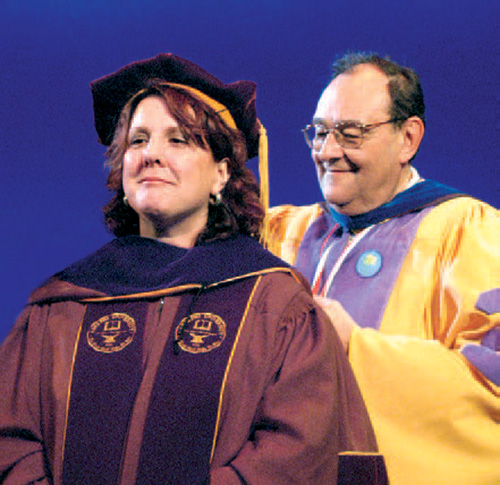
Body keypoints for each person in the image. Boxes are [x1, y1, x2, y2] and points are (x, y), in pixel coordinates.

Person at [0, 53, 380, 484]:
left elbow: (297, 453)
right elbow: (10, 442)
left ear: (221, 174)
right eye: (138, 140)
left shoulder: (274, 305)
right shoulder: (61, 305)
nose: (152, 155)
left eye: (178, 140)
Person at [267, 52, 499, 485]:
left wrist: (356, 348)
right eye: (319, 133)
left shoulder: (469, 232)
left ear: (408, 138)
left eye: (351, 134)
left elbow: (493, 381)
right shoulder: (285, 233)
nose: (327, 152)